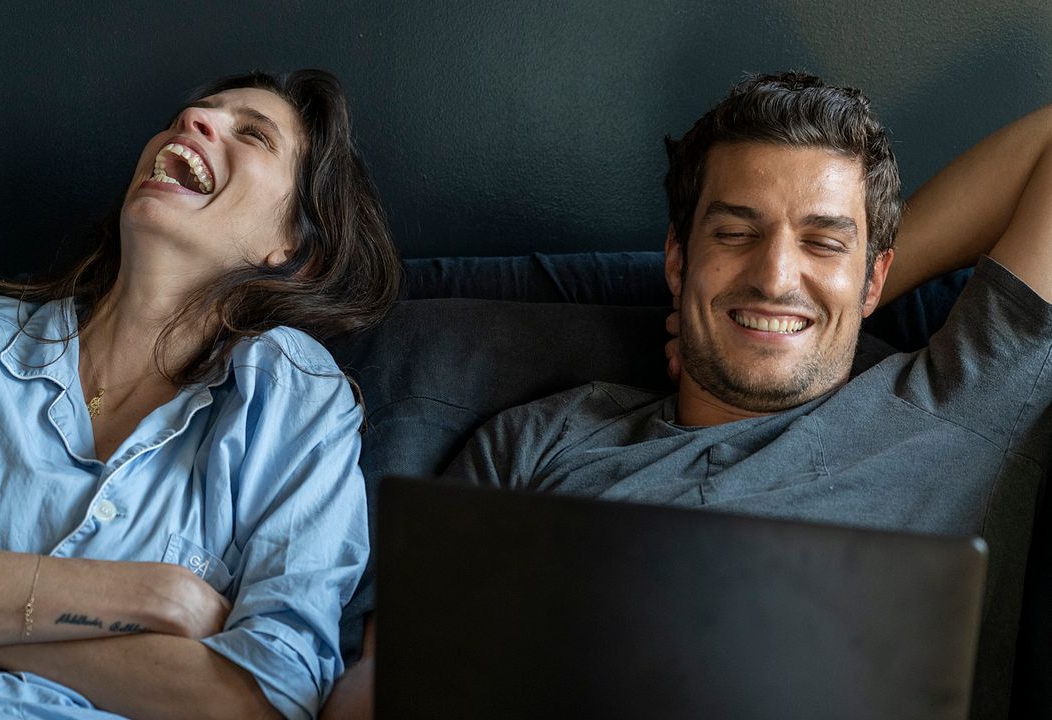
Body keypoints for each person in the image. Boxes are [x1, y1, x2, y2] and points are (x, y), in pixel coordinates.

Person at [435, 72, 1052, 720]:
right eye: (735, 234)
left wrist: (828, 305)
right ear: (678, 261)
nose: (774, 277)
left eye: (823, 243)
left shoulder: (959, 404)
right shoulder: (540, 444)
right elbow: (408, 671)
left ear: (874, 278)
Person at [0, 69, 399, 720]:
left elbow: (264, 699)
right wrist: (148, 599)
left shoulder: (294, 396)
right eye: (193, 112)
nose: (191, 120)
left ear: (292, 244)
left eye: (254, 135)